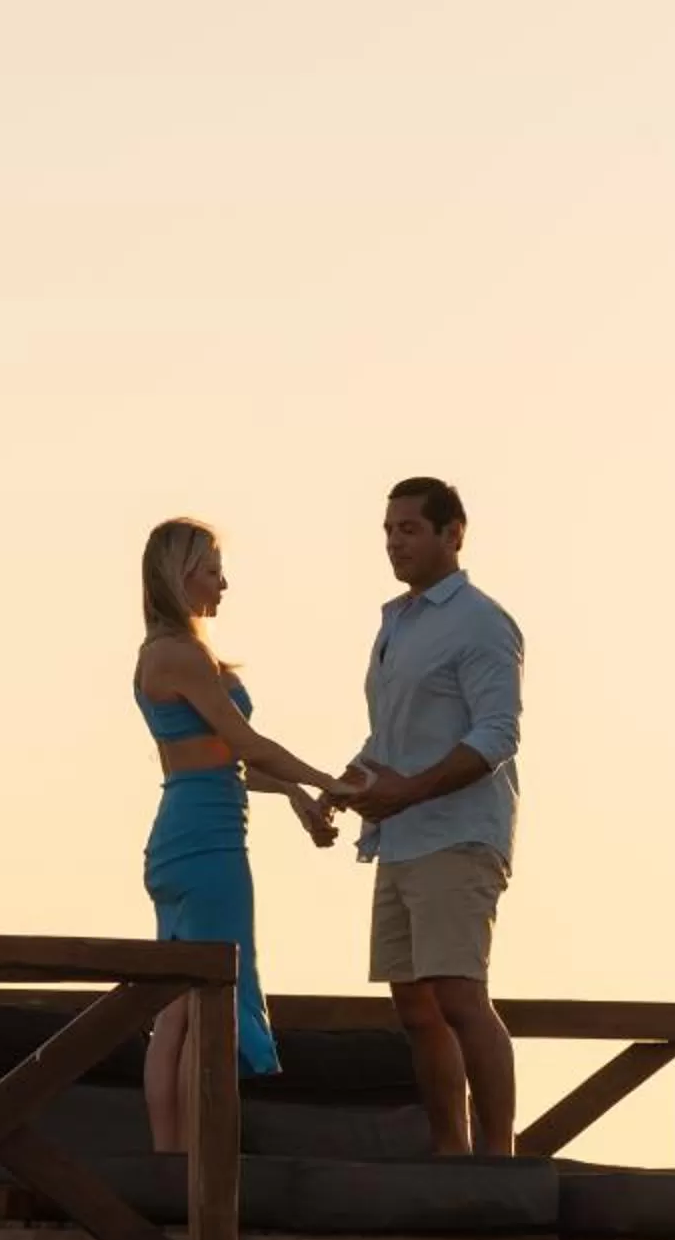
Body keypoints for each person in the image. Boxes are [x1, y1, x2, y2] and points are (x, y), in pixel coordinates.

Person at [133, 517, 354, 1150]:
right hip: (207, 845)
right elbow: (245, 741)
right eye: (212, 571)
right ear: (181, 577)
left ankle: (172, 1159)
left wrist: (291, 791)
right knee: (205, 1007)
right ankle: (190, 1160)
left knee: (176, 1008)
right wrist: (325, 781)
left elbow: (220, 759)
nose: (223, 584)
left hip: (186, 830)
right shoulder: (181, 653)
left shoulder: (163, 654)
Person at [343, 477, 524, 1156]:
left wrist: (408, 790)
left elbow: (497, 734)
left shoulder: (479, 620)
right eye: (389, 529)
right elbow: (388, 741)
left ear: (453, 535)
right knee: (415, 1006)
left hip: (458, 833)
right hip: (401, 837)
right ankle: (452, 1154)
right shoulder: (396, 621)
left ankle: (497, 1157)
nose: (395, 541)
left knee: (458, 993)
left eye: (410, 529)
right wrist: (340, 790)